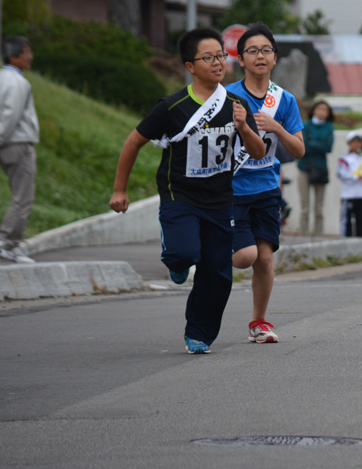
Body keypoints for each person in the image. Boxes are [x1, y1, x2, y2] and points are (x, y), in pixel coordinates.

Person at [109, 28, 265, 354]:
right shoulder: (172, 106)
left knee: (217, 273)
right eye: (208, 58)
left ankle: (199, 333)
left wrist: (243, 127)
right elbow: (134, 141)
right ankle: (176, 261)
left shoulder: (236, 105)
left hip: (221, 200)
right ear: (190, 66)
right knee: (183, 254)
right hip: (180, 194)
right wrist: (119, 190)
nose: (218, 62)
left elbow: (258, 151)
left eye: (221, 55)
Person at [225, 24, 306, 344]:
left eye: (266, 50)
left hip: (267, 187)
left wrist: (276, 128)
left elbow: (298, 150)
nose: (260, 56)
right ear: (241, 59)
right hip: (230, 188)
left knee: (265, 258)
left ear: (275, 58)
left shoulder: (284, 100)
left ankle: (258, 322)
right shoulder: (229, 96)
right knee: (244, 257)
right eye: (252, 51)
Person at [0, 36, 39, 263]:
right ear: (13, 56)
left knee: (19, 195)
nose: (30, 56)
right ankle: (8, 244)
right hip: (17, 143)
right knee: (23, 197)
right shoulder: (18, 82)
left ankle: (9, 244)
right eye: (26, 52)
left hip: (3, 144)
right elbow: (10, 114)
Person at [297, 100, 334, 236]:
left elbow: (328, 147)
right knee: (304, 207)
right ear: (313, 110)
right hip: (304, 168)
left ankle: (318, 234)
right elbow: (302, 145)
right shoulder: (305, 125)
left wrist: (311, 142)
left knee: (319, 208)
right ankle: (304, 235)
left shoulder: (329, 127)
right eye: (320, 109)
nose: (322, 112)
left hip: (320, 169)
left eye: (325, 110)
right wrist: (317, 144)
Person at [338, 130, 362, 237]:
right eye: (353, 142)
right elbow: (341, 175)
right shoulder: (344, 159)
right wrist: (357, 177)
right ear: (349, 143)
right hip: (348, 195)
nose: (356, 144)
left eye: (358, 142)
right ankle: (345, 240)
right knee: (346, 220)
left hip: (361, 194)